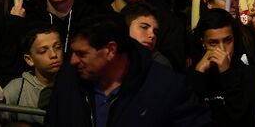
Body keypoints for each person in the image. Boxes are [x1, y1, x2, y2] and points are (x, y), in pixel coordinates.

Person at [47, 14, 211, 126]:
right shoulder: (68, 79)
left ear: (110, 50)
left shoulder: (166, 88)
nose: (73, 60)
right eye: (73, 52)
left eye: (82, 54)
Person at [189, 7, 255, 126]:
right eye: (213, 43)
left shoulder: (252, 76)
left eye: (227, 41)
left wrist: (227, 74)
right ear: (203, 43)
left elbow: (243, 120)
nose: (223, 50)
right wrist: (198, 75)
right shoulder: (192, 75)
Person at [2, 25, 63, 125]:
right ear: (29, 59)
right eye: (43, 51)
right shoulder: (17, 88)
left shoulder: (73, 84)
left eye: (58, 47)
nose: (53, 55)